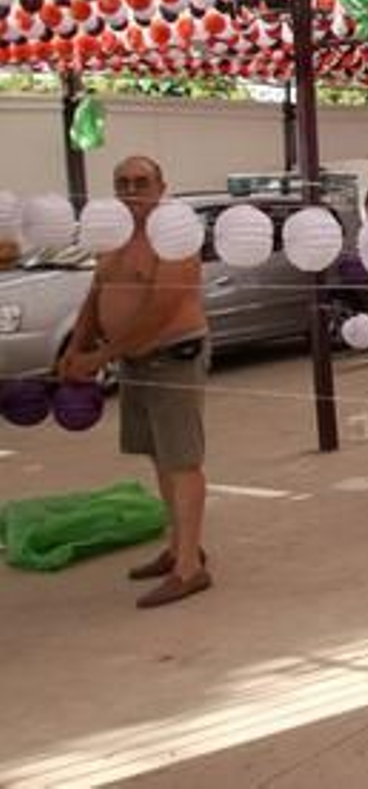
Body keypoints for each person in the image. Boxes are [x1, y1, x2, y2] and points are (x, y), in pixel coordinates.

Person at [60, 156, 212, 608]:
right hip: (134, 360)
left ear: (161, 187)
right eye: (122, 183)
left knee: (183, 460)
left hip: (173, 355)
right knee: (160, 457)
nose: (131, 190)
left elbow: (161, 308)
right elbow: (97, 293)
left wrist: (101, 356)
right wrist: (76, 347)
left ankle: (190, 570)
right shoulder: (112, 234)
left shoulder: (175, 236)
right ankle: (180, 547)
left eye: (141, 182)